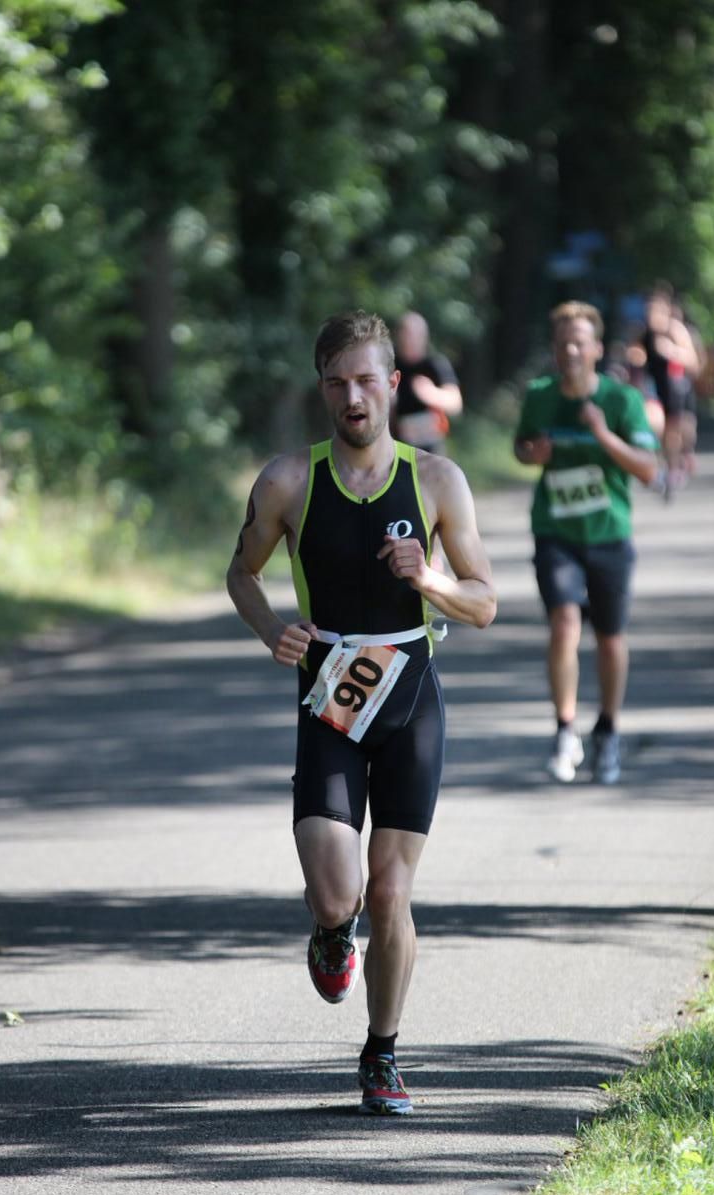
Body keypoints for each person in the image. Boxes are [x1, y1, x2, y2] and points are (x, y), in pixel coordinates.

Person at [227, 310, 495, 1115]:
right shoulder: (288, 481)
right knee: (338, 894)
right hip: (331, 695)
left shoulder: (439, 480)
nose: (354, 396)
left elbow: (483, 604)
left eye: (367, 379)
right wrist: (273, 628)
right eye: (338, 382)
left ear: (392, 383)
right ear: (323, 389)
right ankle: (327, 931)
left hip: (411, 693)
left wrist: (433, 581)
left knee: (391, 893)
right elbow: (242, 573)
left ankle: (382, 1055)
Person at [514, 301, 658, 786]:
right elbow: (523, 448)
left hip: (609, 535)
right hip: (556, 531)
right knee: (564, 621)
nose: (571, 351)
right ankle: (565, 729)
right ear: (555, 351)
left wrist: (602, 435)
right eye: (563, 344)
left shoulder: (622, 401)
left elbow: (647, 469)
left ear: (596, 348)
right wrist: (533, 454)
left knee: (610, 637)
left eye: (580, 342)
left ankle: (609, 729)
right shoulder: (539, 396)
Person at [641, 286, 702, 499]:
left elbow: (693, 362)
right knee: (655, 425)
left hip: (677, 390)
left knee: (676, 432)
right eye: (648, 311)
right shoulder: (645, 334)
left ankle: (673, 467)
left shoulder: (675, 330)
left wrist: (670, 350)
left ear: (666, 310)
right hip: (655, 390)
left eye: (656, 311)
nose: (651, 316)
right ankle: (662, 467)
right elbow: (636, 357)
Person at [391, 311, 463, 455]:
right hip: (397, 446)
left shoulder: (435, 364)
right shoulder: (391, 364)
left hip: (431, 449)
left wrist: (430, 393)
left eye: (414, 334)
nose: (409, 339)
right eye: (405, 333)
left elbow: (456, 404)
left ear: (424, 337)